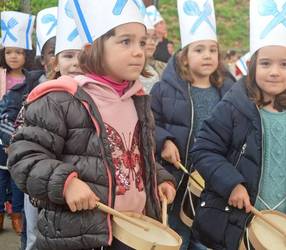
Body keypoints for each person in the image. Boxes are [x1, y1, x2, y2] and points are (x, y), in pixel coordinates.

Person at [8, 1, 176, 249]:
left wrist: (158, 178)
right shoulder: (60, 99)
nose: (139, 51)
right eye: (125, 41)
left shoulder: (138, 100)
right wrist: (66, 183)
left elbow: (134, 156)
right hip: (81, 237)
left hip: (133, 231)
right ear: (92, 48)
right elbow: (23, 157)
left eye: (142, 42)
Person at [190, 1, 286, 249]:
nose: (275, 72)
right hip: (232, 224)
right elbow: (204, 150)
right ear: (252, 66)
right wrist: (231, 183)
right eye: (266, 63)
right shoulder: (233, 106)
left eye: (284, 64)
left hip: (284, 226)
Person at [150, 0, 233, 248]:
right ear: (184, 58)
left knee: (207, 240)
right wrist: (163, 140)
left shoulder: (229, 93)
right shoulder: (164, 90)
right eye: (199, 50)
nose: (207, 55)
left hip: (213, 187)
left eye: (212, 50)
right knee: (177, 238)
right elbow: (149, 122)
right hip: (177, 181)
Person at [0, 10, 36, 235]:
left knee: (16, 177)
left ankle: (17, 214)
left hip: (19, 137)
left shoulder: (31, 79)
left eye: (19, 52)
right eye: (9, 52)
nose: (13, 56)